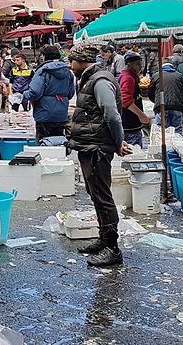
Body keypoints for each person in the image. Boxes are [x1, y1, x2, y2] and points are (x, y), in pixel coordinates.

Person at [66, 44, 129, 267]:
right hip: (89, 145)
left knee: (102, 196)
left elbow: (112, 115)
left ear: (81, 60)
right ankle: (104, 239)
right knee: (95, 194)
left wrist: (118, 141)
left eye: (71, 60)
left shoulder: (100, 81)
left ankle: (112, 248)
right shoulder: (90, 79)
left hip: (97, 147)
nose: (69, 65)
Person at [25, 45, 75, 141]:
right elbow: (71, 93)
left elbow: (35, 92)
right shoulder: (67, 72)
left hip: (44, 113)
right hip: (61, 113)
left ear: (44, 56)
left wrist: (25, 94)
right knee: (58, 141)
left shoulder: (43, 70)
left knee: (44, 143)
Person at [118, 52, 147, 147]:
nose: (140, 67)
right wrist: (141, 115)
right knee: (134, 152)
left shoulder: (128, 76)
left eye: (140, 64)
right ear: (129, 64)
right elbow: (125, 100)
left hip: (128, 123)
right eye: (137, 64)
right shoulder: (128, 78)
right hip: (130, 124)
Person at [149, 61, 183, 131]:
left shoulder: (156, 75)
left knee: (161, 130)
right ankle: (177, 141)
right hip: (177, 106)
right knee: (177, 130)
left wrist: (155, 101)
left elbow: (150, 92)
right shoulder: (179, 76)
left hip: (161, 107)